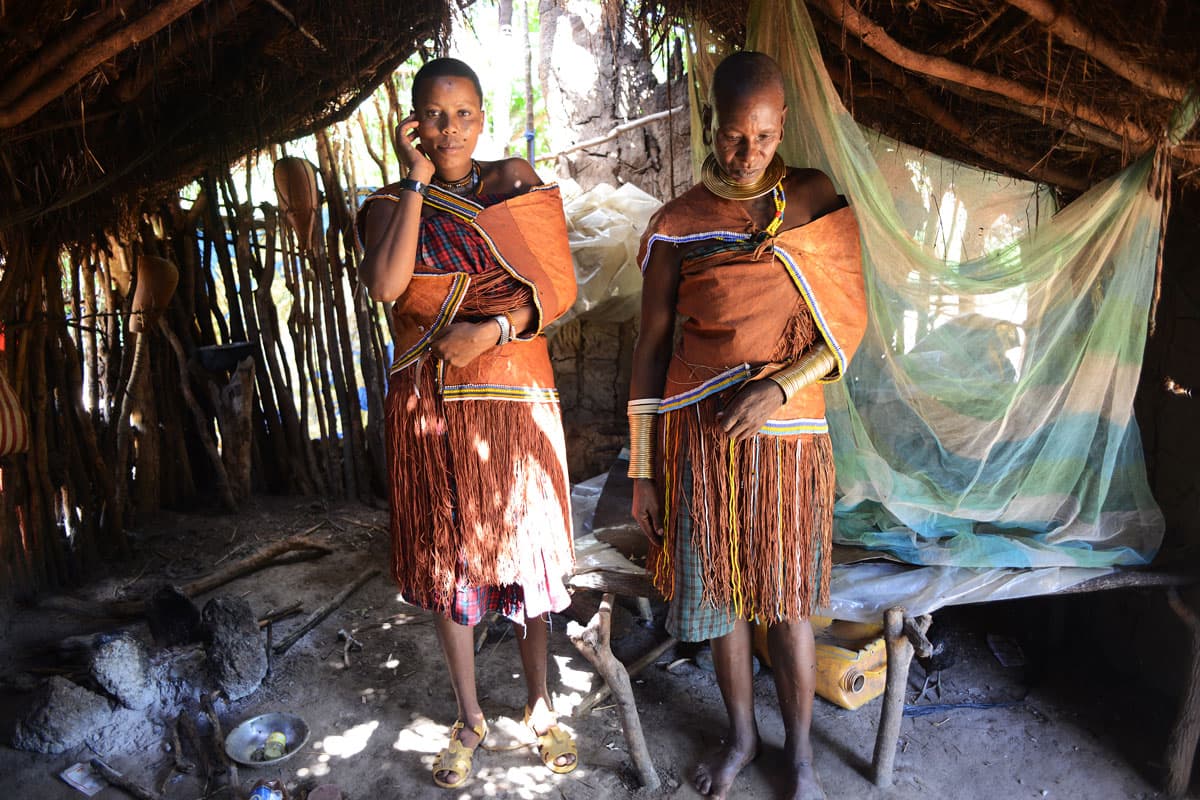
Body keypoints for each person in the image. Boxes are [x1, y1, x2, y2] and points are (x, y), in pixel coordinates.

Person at [628, 51, 865, 800]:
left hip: (791, 443)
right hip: (701, 442)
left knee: (791, 603)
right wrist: (642, 469)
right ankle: (741, 736)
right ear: (712, 122)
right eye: (735, 136)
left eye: (764, 137)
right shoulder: (677, 225)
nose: (749, 153)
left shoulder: (815, 201)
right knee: (724, 602)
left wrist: (780, 388)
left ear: (784, 124)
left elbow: (847, 330)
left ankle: (798, 756)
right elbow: (651, 351)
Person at [358, 57, 579, 790]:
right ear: (411, 121)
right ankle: (471, 715)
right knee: (450, 562)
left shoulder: (514, 181)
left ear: (482, 116)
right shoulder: (389, 204)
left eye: (461, 113)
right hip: (432, 409)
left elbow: (557, 289)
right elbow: (390, 287)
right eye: (433, 114)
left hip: (515, 399)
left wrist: (491, 332)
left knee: (527, 561)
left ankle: (540, 704)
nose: (448, 128)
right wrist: (416, 179)